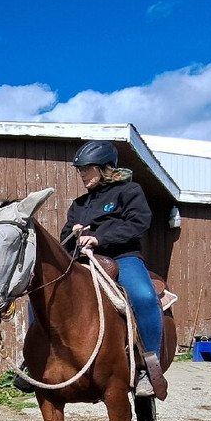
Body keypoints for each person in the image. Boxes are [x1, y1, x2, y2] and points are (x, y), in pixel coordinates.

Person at [62, 140, 162, 396]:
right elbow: (63, 238)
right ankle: (36, 360)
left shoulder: (129, 191)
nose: (82, 174)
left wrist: (99, 238)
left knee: (144, 297)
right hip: (83, 261)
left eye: (86, 169)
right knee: (45, 295)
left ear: (104, 168)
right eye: (80, 170)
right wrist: (74, 234)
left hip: (122, 258)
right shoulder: (79, 205)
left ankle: (149, 368)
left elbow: (139, 223)